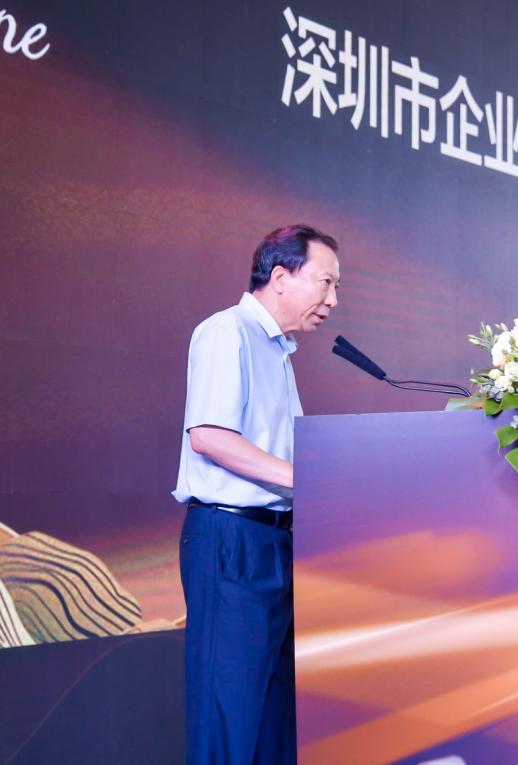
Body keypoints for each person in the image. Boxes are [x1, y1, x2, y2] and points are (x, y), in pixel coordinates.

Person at [173, 224, 340, 765]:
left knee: (273, 720)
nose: (332, 300)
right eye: (326, 282)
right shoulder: (228, 333)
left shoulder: (279, 353)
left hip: (277, 544)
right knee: (229, 717)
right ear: (281, 276)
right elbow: (210, 436)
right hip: (231, 541)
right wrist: (308, 478)